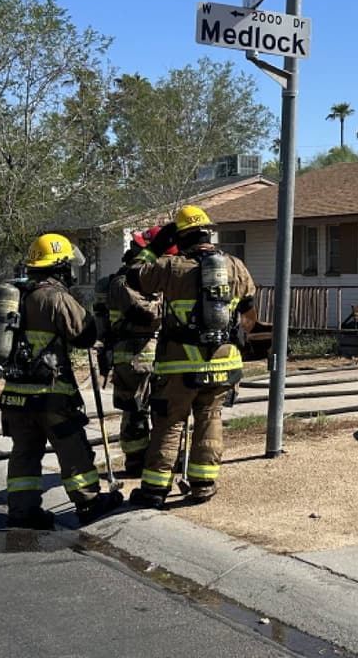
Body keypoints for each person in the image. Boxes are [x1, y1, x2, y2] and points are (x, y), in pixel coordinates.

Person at [124, 206, 257, 508]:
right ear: (207, 233)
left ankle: (154, 490)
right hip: (224, 363)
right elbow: (249, 314)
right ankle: (203, 485)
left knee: (169, 424)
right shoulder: (236, 266)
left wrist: (154, 248)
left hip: (179, 365)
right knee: (210, 418)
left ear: (179, 237)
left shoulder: (170, 267)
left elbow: (132, 276)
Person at [0, 233, 123, 530]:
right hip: (50, 394)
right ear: (60, 266)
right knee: (72, 448)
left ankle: (23, 511)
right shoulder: (55, 297)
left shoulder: (15, 295)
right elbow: (85, 335)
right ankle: (88, 502)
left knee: (25, 453)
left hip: (15, 394)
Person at [93, 227, 173, 477]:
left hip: (141, 355)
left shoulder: (130, 279)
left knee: (150, 410)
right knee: (140, 410)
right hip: (141, 354)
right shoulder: (128, 281)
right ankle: (141, 462)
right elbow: (147, 315)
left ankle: (148, 461)